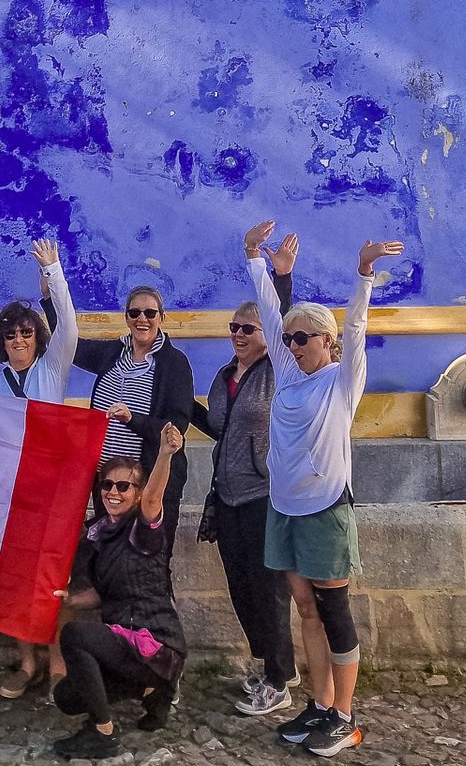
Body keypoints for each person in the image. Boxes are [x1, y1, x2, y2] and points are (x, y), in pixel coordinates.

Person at [244, 220, 402, 758]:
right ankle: (318, 702)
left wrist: (363, 275)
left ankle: (346, 715)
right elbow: (268, 312)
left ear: (326, 341)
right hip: (283, 508)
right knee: (304, 609)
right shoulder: (288, 376)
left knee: (334, 612)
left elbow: (357, 329)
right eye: (288, 339)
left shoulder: (341, 381)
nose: (292, 345)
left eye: (303, 338)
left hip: (324, 508)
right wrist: (253, 260)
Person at [190, 234, 297, 718]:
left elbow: (281, 320)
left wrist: (280, 275)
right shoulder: (223, 376)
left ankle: (279, 680)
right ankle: (277, 667)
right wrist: (174, 405)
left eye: (248, 328)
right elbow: (218, 427)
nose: (239, 334)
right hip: (227, 495)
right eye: (234, 327)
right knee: (241, 585)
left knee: (268, 587)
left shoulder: (277, 369)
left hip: (262, 494)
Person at [50, 423, 188, 761]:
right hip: (123, 642)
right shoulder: (101, 534)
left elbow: (156, 496)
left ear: (138, 493)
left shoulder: (144, 529)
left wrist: (165, 454)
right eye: (108, 485)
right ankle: (153, 691)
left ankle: (103, 732)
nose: (114, 492)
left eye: (124, 486)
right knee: (67, 696)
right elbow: (101, 595)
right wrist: (69, 598)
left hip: (154, 643)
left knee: (75, 636)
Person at [0, 239, 80, 698]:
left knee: (53, 578)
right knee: (13, 577)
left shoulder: (52, 370)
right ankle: (25, 661)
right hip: (6, 495)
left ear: (38, 338)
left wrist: (53, 271)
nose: (18, 341)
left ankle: (57, 661)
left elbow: (70, 327)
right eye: (10, 335)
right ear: (0, 342)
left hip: (53, 492)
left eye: (26, 333)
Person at [58, 281, 194, 559]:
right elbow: (68, 342)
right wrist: (51, 291)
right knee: (109, 557)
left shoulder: (174, 363)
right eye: (135, 313)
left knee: (151, 560)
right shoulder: (112, 353)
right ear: (127, 317)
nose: (142, 319)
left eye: (149, 313)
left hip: (148, 482)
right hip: (107, 482)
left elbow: (176, 427)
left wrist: (133, 419)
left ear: (161, 318)